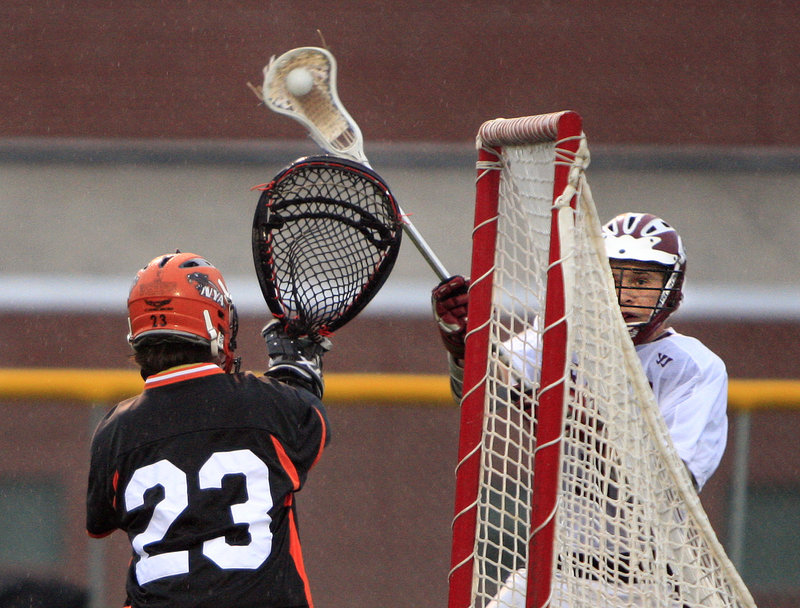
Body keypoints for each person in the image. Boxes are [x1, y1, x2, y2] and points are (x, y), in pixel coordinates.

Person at [432, 212, 729, 606]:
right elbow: (480, 390)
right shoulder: (561, 337)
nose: (625, 292)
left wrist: (576, 419)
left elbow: (666, 490)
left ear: (672, 290)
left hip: (650, 584)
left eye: (642, 281)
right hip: (558, 570)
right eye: (615, 275)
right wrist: (463, 345)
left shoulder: (693, 366)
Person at [86, 251, 331, 608]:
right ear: (215, 323)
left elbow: (100, 523)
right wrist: (295, 369)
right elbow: (312, 427)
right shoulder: (266, 404)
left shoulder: (116, 430)